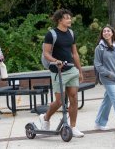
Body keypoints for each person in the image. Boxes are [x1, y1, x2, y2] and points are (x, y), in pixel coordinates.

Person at [40, 9, 84, 138]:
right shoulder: (51, 34)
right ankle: (46, 117)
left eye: (70, 18)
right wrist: (55, 61)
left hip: (71, 70)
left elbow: (74, 53)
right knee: (59, 102)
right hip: (58, 71)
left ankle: (73, 126)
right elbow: (46, 53)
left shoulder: (71, 33)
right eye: (67, 18)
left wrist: (80, 71)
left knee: (74, 98)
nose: (70, 20)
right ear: (60, 20)